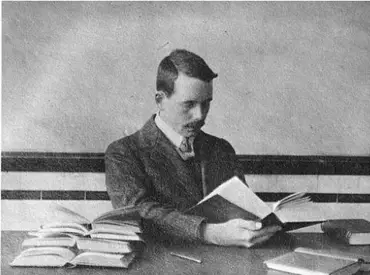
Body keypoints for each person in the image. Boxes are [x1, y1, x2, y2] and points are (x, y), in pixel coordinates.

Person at [105, 49, 281, 247]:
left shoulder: (221, 149)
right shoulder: (123, 153)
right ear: (160, 100)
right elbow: (139, 214)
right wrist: (208, 232)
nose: (199, 115)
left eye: (206, 104)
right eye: (188, 104)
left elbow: (244, 209)